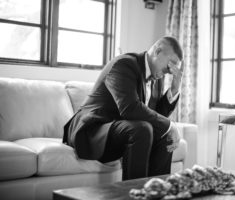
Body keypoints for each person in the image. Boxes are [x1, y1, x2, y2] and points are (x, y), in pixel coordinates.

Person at [63, 36, 184, 180]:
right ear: (158, 51)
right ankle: (133, 194)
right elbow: (130, 108)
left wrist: (174, 90)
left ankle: (156, 192)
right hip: (94, 129)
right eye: (171, 64)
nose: (171, 71)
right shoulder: (125, 64)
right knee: (143, 129)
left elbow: (155, 116)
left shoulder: (157, 77)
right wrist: (170, 125)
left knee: (165, 136)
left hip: (121, 131)